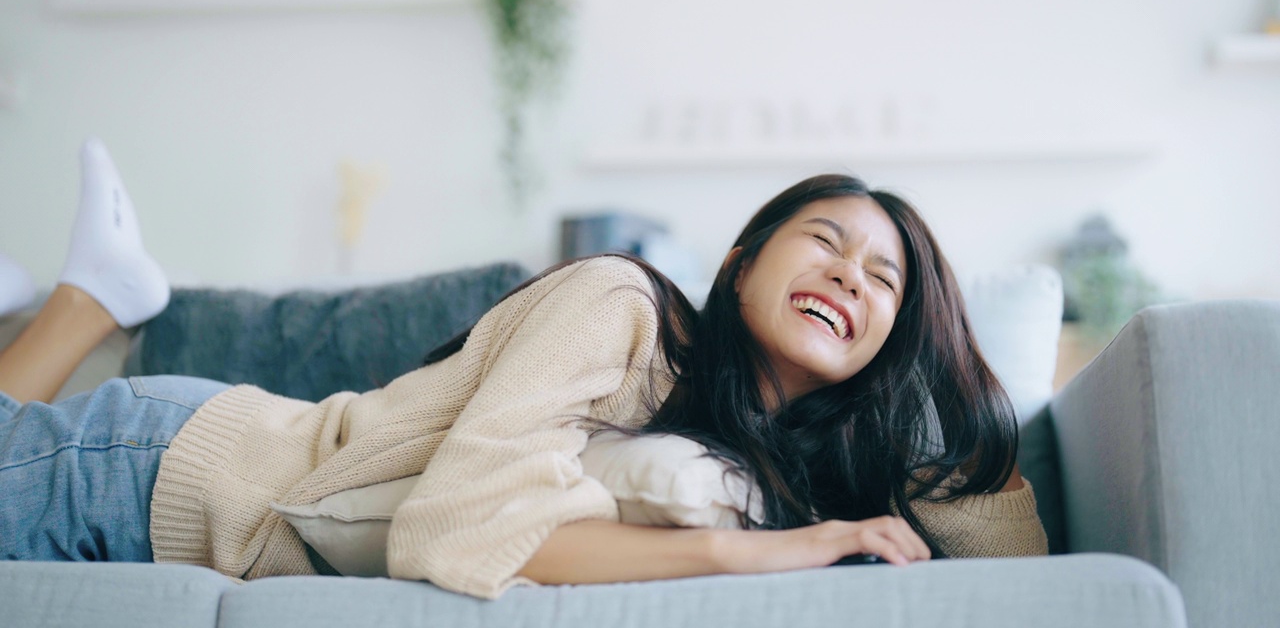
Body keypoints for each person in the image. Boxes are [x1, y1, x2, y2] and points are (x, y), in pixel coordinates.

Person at [0, 139, 1047, 600]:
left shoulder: (782, 462)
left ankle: (88, 298)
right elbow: (453, 532)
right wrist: (769, 556)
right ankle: (88, 300)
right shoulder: (622, 308)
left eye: (882, 281)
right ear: (737, 269)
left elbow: (1024, 588)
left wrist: (943, 401)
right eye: (821, 241)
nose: (847, 277)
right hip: (161, 465)